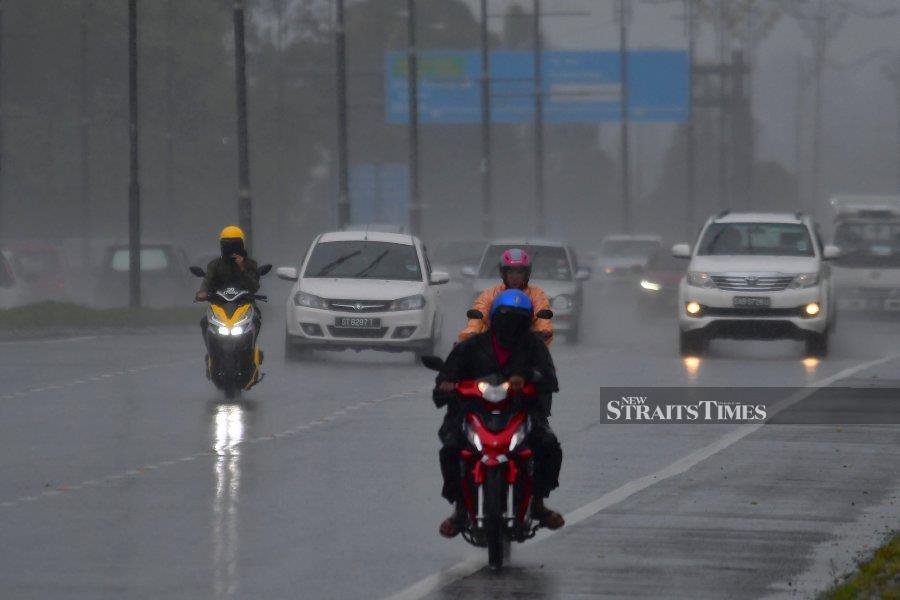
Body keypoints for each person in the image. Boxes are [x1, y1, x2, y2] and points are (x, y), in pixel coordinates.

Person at [435, 289, 564, 538]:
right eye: (506, 318)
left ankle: (537, 503)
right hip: (475, 413)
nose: (510, 325)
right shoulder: (472, 346)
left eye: (517, 319)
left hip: (521, 413)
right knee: (450, 449)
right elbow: (448, 374)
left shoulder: (534, 347)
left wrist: (528, 378)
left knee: (549, 446)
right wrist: (447, 384)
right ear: (494, 318)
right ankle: (460, 509)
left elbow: (549, 379)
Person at [459, 248, 554, 346]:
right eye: (510, 272)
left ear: (526, 274)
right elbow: (479, 315)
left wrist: (544, 331)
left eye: (519, 272)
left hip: (527, 347)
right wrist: (471, 332)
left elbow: (542, 317)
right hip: (493, 347)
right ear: (503, 273)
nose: (515, 277)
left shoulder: (537, 294)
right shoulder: (490, 294)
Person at [196, 226, 261, 353]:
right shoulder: (214, 265)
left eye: (235, 246)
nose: (232, 250)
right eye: (228, 246)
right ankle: (211, 354)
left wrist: (242, 267)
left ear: (241, 245)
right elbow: (207, 281)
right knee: (205, 322)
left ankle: (251, 351)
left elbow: (254, 287)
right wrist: (202, 292)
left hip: (244, 305)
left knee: (256, 319)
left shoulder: (250, 264)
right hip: (220, 306)